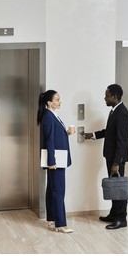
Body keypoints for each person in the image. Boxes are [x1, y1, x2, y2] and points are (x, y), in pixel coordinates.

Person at [82, 84, 128, 230]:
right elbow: (109, 132)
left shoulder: (122, 114)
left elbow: (121, 141)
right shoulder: (114, 111)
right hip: (112, 156)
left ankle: (121, 219)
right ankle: (114, 214)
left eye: (107, 95)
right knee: (114, 187)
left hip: (118, 158)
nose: (105, 98)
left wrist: (116, 162)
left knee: (120, 188)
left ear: (115, 96)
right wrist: (93, 135)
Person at [37, 90, 75, 233]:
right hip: (56, 160)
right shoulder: (48, 117)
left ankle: (52, 218)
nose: (60, 102)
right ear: (49, 102)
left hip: (58, 158)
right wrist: (51, 161)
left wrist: (67, 133)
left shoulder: (53, 116)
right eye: (57, 99)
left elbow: (55, 136)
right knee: (59, 190)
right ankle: (60, 224)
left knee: (52, 188)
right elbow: (49, 140)